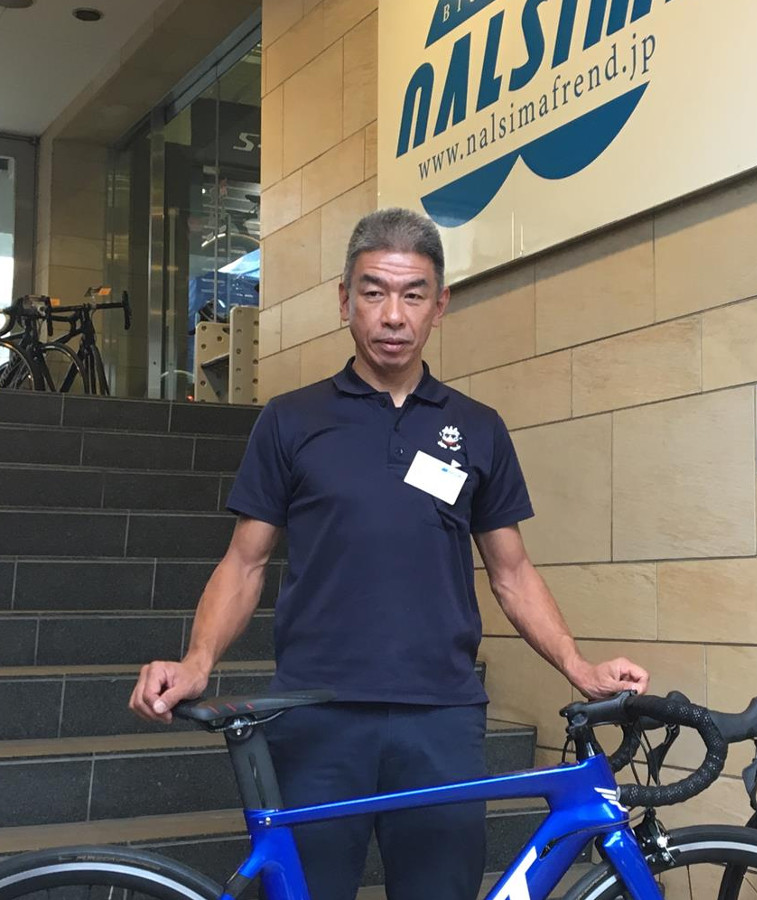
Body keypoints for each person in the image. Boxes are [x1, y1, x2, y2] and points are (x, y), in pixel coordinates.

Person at [129, 208, 650, 900]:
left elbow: (512, 572)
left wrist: (578, 666)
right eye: (374, 293)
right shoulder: (290, 419)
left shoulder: (478, 428)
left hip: (441, 717)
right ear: (344, 300)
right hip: (316, 713)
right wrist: (198, 662)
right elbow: (244, 563)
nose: (393, 316)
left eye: (412, 295)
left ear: (441, 305)